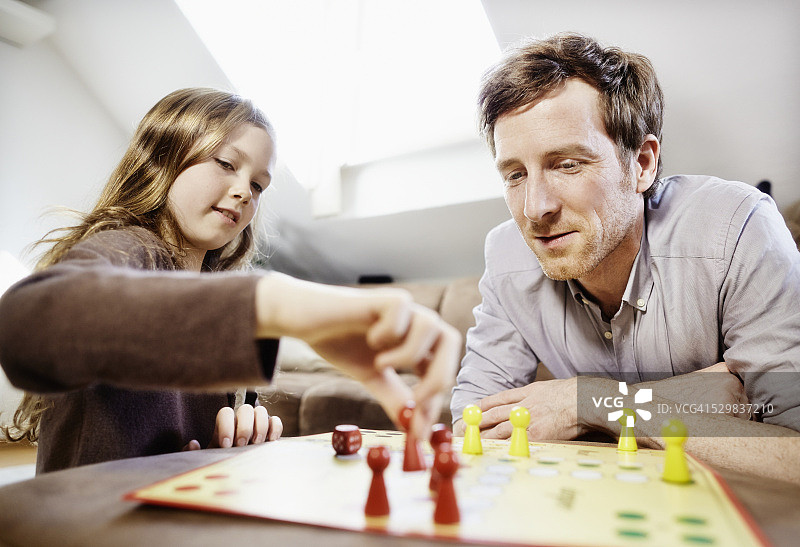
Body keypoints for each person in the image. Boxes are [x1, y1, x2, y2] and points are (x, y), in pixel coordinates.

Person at [0, 87, 460, 473]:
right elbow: (26, 326)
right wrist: (278, 303)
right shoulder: (128, 247)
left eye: (259, 184)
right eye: (225, 163)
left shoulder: (213, 285)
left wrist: (233, 444)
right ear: (164, 157)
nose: (244, 190)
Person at [451, 33, 800, 484]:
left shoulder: (737, 226)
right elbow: (472, 429)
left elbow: (791, 449)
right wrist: (699, 400)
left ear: (642, 164)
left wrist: (591, 402)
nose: (535, 208)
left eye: (567, 164)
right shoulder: (506, 255)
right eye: (514, 174)